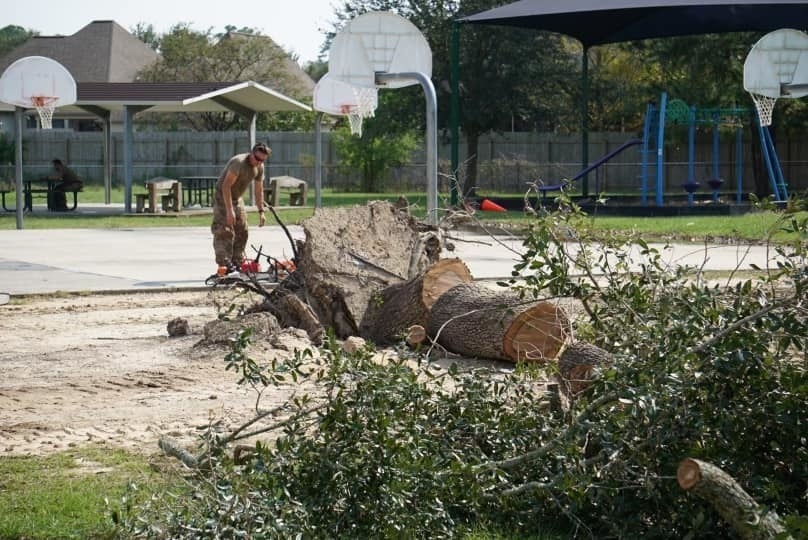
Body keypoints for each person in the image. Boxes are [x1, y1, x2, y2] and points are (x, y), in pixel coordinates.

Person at [211, 142, 269, 272]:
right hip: (222, 196)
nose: (259, 162)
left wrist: (261, 211)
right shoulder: (239, 163)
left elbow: (259, 190)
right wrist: (229, 210)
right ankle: (224, 265)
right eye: (257, 158)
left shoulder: (259, 167)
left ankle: (237, 263)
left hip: (237, 198)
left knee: (242, 230)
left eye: (262, 160)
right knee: (224, 230)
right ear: (251, 153)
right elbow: (226, 186)